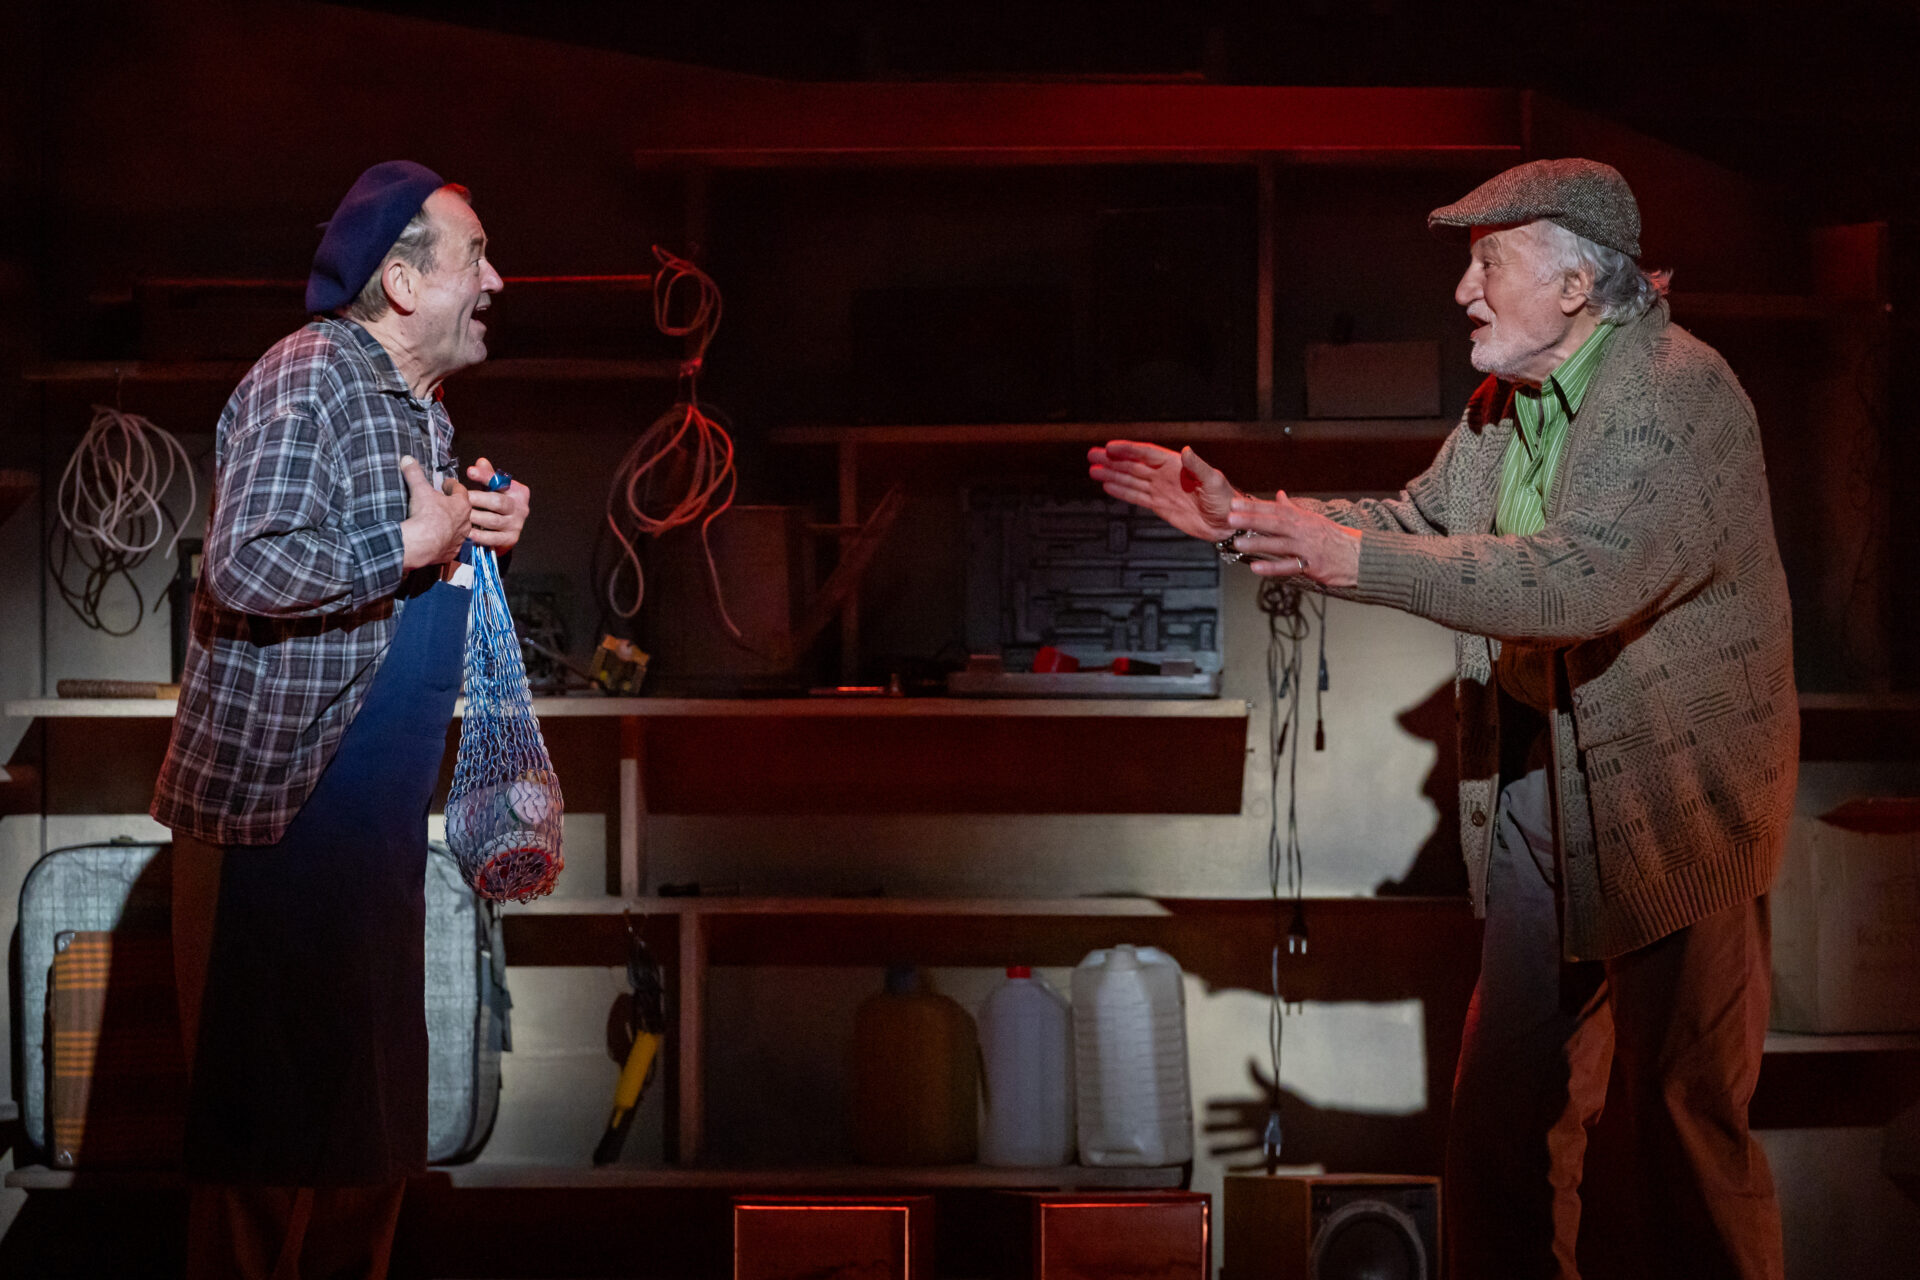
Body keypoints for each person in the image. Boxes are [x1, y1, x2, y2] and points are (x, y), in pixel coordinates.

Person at [1091, 158, 1796, 1280]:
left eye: (1489, 262)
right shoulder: (1502, 406)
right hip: (1538, 791)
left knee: (1681, 1123)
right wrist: (1246, 519)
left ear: (1574, 285)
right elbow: (1417, 521)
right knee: (1501, 1121)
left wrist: (1346, 557)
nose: (1464, 290)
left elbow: (1575, 581)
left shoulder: (1677, 392)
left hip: (1678, 801)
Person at [152, 160, 530, 1280]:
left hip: (368, 830)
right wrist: (411, 543)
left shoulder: (421, 409)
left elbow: (396, 583)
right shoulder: (307, 375)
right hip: (275, 823)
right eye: (476, 257)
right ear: (403, 283)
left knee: (366, 1136)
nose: (496, 281)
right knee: (265, 1144)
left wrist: (479, 532)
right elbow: (245, 563)